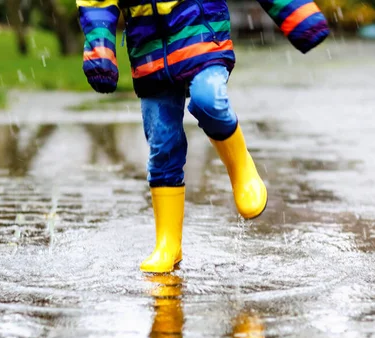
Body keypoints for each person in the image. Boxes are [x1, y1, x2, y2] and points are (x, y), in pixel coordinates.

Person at [76, 0, 330, 273]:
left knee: (208, 100)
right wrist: (99, 45)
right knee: (162, 143)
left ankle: (240, 167)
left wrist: (296, 11)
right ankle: (168, 243)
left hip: (201, 33)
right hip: (148, 49)